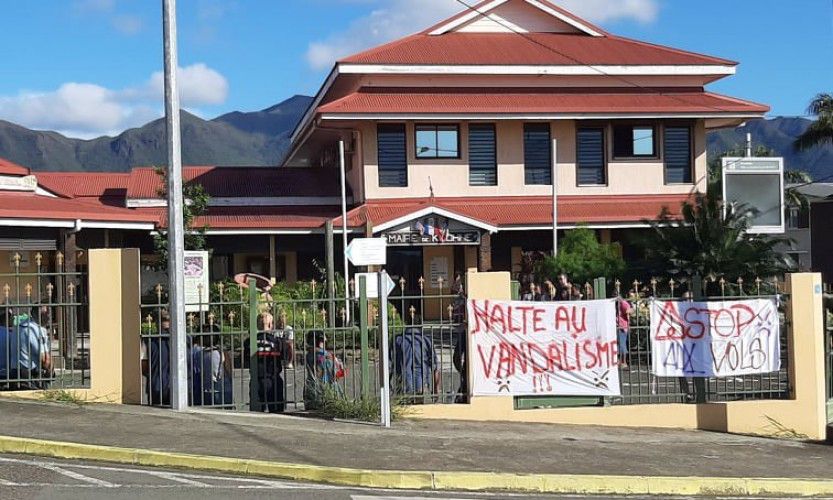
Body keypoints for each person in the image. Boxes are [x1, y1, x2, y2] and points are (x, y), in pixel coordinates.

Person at [0, 312, 52, 390]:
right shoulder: (34, 329)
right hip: (29, 375)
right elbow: (45, 360)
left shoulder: (17, 329)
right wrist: (49, 372)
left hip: (14, 374)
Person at [393, 313, 439, 396]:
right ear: (420, 325)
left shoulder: (398, 339)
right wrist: (436, 389)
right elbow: (435, 366)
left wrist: (388, 386)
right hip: (422, 384)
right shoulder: (426, 340)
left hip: (403, 384)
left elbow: (389, 363)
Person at [248, 312, 285, 413]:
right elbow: (284, 356)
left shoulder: (249, 341)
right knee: (277, 412)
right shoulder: (277, 342)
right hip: (273, 379)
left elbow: (246, 358)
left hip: (257, 379)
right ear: (270, 325)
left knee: (257, 412)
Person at [303, 330, 345, 410]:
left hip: (312, 386)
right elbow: (335, 373)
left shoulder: (309, 354)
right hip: (327, 385)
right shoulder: (326, 355)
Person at [141, 311, 170, 406]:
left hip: (155, 385)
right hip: (177, 387)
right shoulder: (184, 340)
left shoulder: (148, 340)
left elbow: (143, 366)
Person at [616, 293, 633, 368]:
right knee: (619, 344)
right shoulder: (619, 303)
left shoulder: (623, 303)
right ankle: (620, 361)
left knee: (622, 344)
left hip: (622, 326)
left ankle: (623, 362)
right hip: (619, 325)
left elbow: (629, 311)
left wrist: (628, 312)